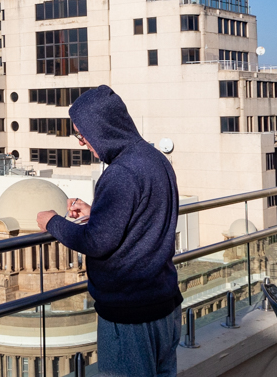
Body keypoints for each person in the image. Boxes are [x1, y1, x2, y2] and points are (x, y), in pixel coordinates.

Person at [36, 85, 182, 377]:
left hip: (130, 315)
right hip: (165, 305)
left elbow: (97, 241)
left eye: (82, 133)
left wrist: (51, 221)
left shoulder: (121, 173)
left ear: (102, 128)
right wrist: (98, 213)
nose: (82, 143)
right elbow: (145, 216)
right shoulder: (155, 159)